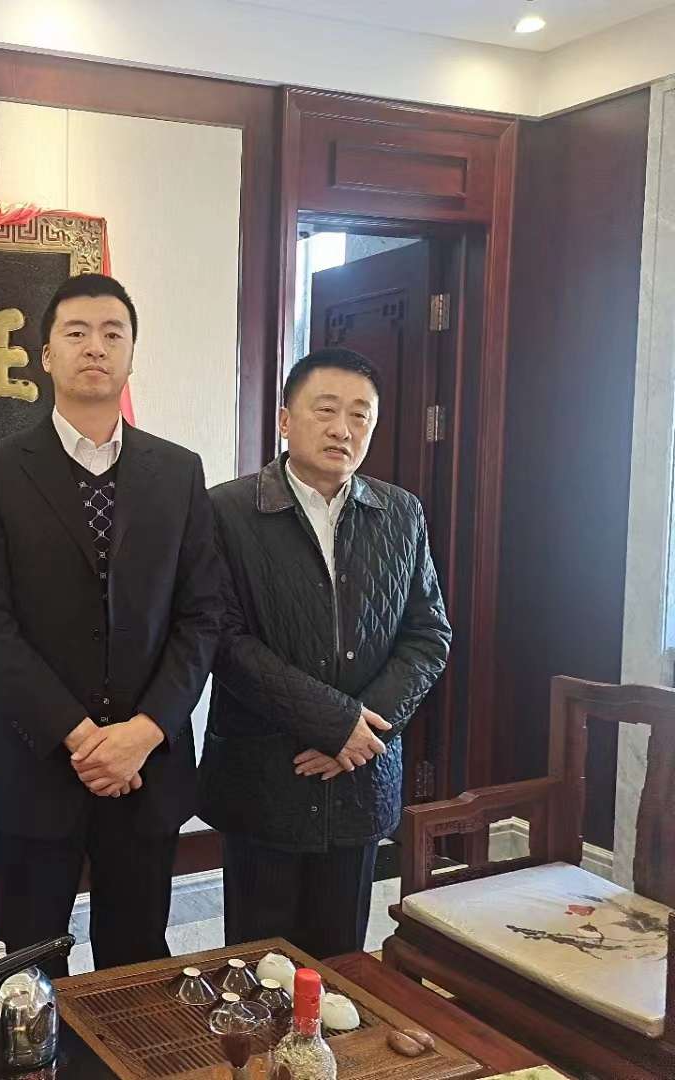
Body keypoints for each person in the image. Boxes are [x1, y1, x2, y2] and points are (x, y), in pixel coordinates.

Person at [0, 273, 224, 976]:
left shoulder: (178, 471)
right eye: (76, 333)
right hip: (34, 765)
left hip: (147, 769)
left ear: (132, 354)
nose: (95, 347)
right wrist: (81, 738)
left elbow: (202, 616)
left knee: (137, 965)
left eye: (113, 333)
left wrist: (144, 732)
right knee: (26, 971)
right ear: (45, 355)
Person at [198, 347, 452, 959]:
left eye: (361, 415)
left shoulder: (400, 513)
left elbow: (428, 635)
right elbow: (222, 640)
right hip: (265, 776)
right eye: (326, 410)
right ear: (285, 420)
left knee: (340, 965)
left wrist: (362, 733)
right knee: (258, 967)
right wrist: (335, 722)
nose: (343, 428)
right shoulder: (225, 511)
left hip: (361, 774)